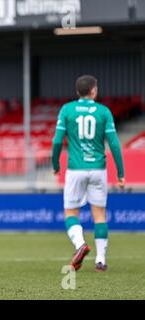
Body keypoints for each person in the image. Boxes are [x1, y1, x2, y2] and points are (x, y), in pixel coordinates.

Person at [52, 75, 125, 272]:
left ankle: (80, 245)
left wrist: (55, 163)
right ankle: (100, 260)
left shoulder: (67, 109)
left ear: (78, 91)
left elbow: (58, 140)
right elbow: (115, 144)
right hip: (98, 169)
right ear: (93, 90)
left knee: (71, 213)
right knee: (99, 215)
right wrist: (120, 173)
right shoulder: (103, 111)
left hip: (76, 169)